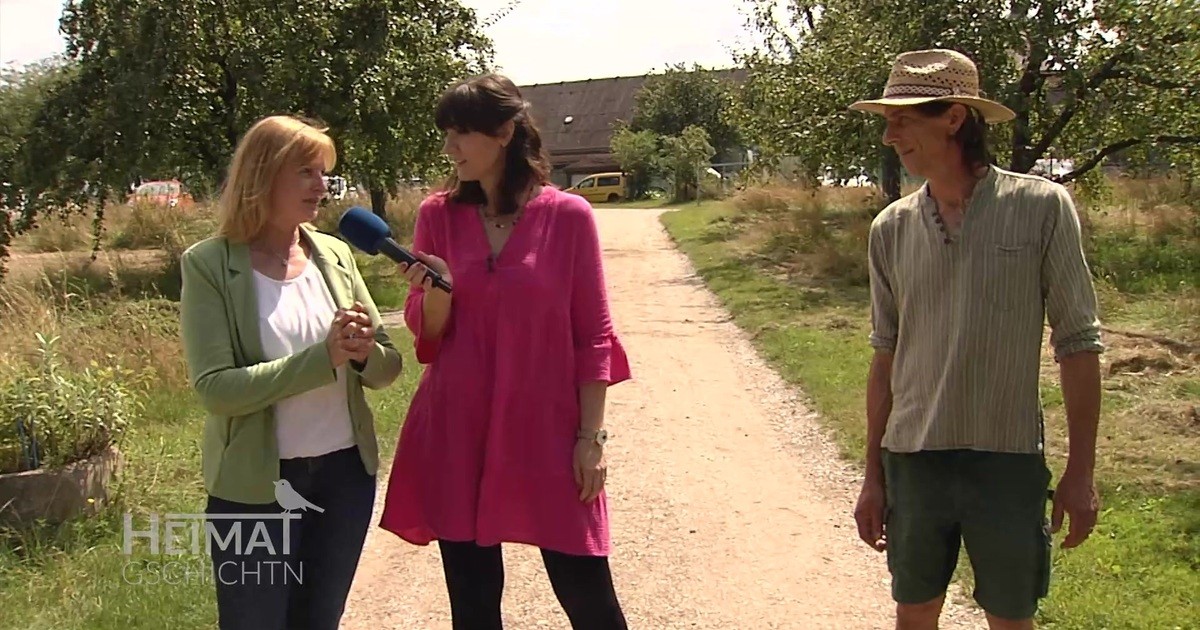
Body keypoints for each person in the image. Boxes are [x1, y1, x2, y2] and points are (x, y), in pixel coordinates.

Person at [847, 49, 1104, 629]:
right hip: (914, 459)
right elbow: (884, 357)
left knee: (1010, 618)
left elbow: (1079, 343)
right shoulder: (891, 228)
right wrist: (872, 474)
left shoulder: (1040, 207)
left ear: (955, 117)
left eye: (903, 120)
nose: (890, 137)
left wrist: (1081, 472)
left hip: (1006, 459)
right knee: (914, 614)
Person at [378, 74, 632, 630]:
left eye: (462, 132)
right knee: (472, 608)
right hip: (457, 427)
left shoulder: (568, 216)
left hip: (546, 428)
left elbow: (593, 336)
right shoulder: (435, 216)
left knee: (590, 599)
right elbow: (428, 340)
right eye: (445, 133)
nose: (450, 147)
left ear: (505, 131)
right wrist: (437, 290)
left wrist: (591, 439)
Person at [179, 114, 403, 630]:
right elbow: (216, 389)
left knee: (319, 620)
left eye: (323, 173)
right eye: (306, 172)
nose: (321, 187)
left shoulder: (335, 254)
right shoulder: (209, 264)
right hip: (256, 490)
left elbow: (387, 368)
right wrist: (321, 359)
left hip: (345, 478)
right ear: (262, 176)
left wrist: (365, 351)